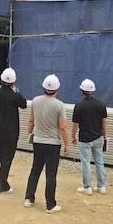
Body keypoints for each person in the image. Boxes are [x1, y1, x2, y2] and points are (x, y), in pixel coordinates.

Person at [24, 74, 69, 214]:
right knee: (51, 174)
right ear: (57, 89)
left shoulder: (35, 101)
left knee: (35, 170)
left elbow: (31, 121)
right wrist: (67, 144)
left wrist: (29, 133)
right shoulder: (59, 105)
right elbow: (63, 127)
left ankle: (28, 198)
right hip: (53, 144)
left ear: (43, 87)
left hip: (38, 141)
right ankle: (50, 205)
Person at [0, 67, 27, 194]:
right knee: (6, 159)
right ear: (13, 82)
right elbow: (24, 104)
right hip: (10, 134)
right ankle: (2, 185)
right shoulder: (15, 96)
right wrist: (15, 92)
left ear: (1, 79)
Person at [71, 79, 107, 195]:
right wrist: (105, 135)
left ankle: (87, 187)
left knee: (86, 163)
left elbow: (75, 124)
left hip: (85, 139)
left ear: (81, 91)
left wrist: (73, 136)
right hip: (98, 137)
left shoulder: (79, 106)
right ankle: (101, 186)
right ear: (93, 91)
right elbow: (104, 122)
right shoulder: (101, 104)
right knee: (99, 162)